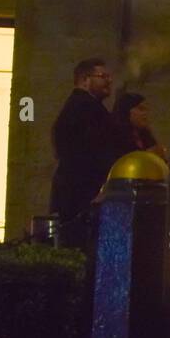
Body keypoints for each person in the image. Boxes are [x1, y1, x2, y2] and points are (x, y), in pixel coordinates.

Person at [49, 58, 121, 248]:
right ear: (84, 79)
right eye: (102, 76)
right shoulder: (84, 108)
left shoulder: (86, 107)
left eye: (109, 77)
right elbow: (89, 151)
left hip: (78, 189)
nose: (108, 81)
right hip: (82, 192)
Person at [111, 92, 169, 163]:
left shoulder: (146, 136)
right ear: (126, 111)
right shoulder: (115, 135)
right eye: (141, 109)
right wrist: (147, 155)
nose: (145, 113)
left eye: (146, 110)